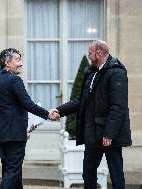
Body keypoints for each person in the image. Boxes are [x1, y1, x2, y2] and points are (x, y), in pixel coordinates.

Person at [56, 40, 132, 189]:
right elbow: (80, 100)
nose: (88, 56)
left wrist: (109, 134)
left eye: (90, 53)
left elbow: (118, 107)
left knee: (116, 173)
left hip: (110, 134)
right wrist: (59, 111)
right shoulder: (90, 72)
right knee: (88, 172)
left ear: (99, 53)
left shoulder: (117, 72)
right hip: (93, 133)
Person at [0, 48, 59, 189]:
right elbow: (28, 104)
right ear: (7, 62)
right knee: (12, 171)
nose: (21, 63)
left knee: (11, 171)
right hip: (14, 135)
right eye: (17, 60)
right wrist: (48, 114)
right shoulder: (14, 80)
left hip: (2, 133)